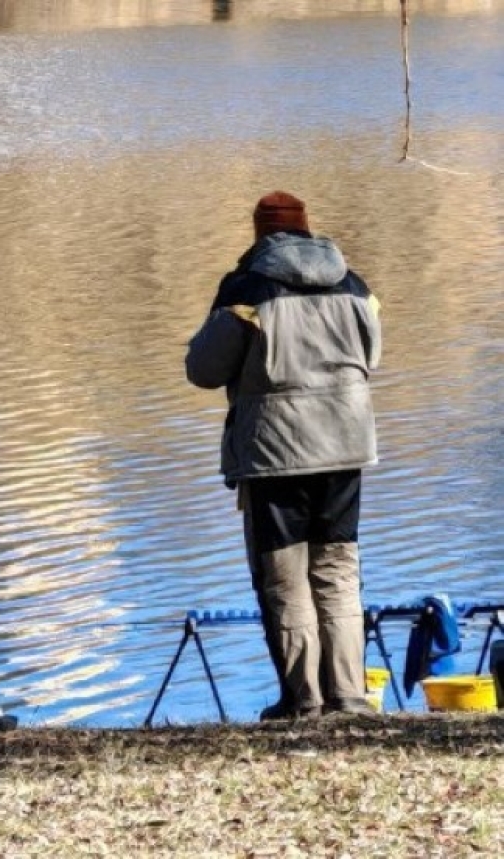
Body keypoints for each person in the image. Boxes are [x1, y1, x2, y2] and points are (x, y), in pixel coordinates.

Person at [185, 191, 382, 720]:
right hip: (345, 445)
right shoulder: (354, 284)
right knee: (338, 570)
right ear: (306, 229)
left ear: (260, 234)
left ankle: (304, 702)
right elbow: (372, 355)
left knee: (284, 575)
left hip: (276, 451)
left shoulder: (246, 290)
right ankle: (349, 698)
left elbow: (204, 369)